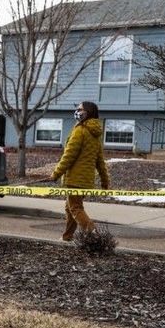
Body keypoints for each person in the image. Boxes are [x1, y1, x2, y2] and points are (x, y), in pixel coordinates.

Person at [50, 101, 110, 241]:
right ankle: (67, 236)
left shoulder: (80, 131)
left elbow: (68, 156)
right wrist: (105, 181)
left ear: (87, 112)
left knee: (75, 208)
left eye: (80, 109)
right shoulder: (95, 134)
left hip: (75, 179)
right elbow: (100, 161)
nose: (77, 111)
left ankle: (95, 235)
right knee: (70, 207)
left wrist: (56, 174)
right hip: (86, 180)